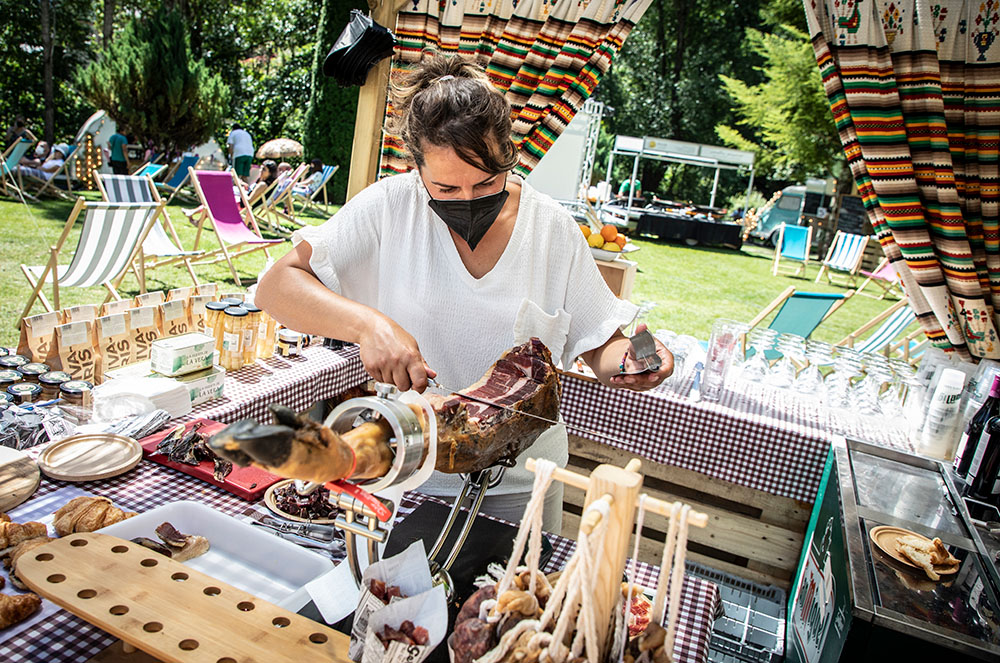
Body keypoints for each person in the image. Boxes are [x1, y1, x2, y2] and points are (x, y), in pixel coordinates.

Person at [254, 54, 674, 531]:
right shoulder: (390, 207)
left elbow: (604, 340)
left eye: (488, 182)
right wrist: (368, 325)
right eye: (447, 189)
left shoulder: (550, 226)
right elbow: (275, 286)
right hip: (411, 473)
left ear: (509, 155)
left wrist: (639, 353)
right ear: (417, 169)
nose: (471, 202)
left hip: (523, 485)